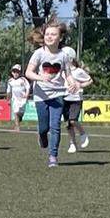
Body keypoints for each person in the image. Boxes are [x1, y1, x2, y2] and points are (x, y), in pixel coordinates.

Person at [25, 21, 72, 167]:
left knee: (55, 126)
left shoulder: (64, 55)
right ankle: (42, 136)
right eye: (47, 34)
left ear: (61, 38)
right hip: (41, 95)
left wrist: (72, 82)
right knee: (44, 127)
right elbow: (28, 73)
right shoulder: (39, 54)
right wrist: (41, 78)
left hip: (58, 94)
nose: (50, 37)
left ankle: (53, 156)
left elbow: (68, 74)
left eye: (53, 34)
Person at [63, 51, 91, 154]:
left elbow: (89, 80)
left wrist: (81, 85)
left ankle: (83, 133)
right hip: (64, 98)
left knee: (73, 120)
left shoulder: (79, 71)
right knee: (68, 124)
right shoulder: (62, 71)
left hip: (76, 99)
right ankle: (72, 143)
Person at [5, 64, 30, 132]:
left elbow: (28, 87)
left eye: (17, 72)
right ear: (12, 72)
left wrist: (27, 94)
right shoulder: (10, 81)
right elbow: (9, 91)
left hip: (23, 99)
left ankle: (19, 119)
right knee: (16, 112)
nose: (15, 73)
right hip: (15, 99)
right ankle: (17, 126)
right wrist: (8, 99)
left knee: (20, 113)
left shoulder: (23, 80)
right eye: (14, 71)